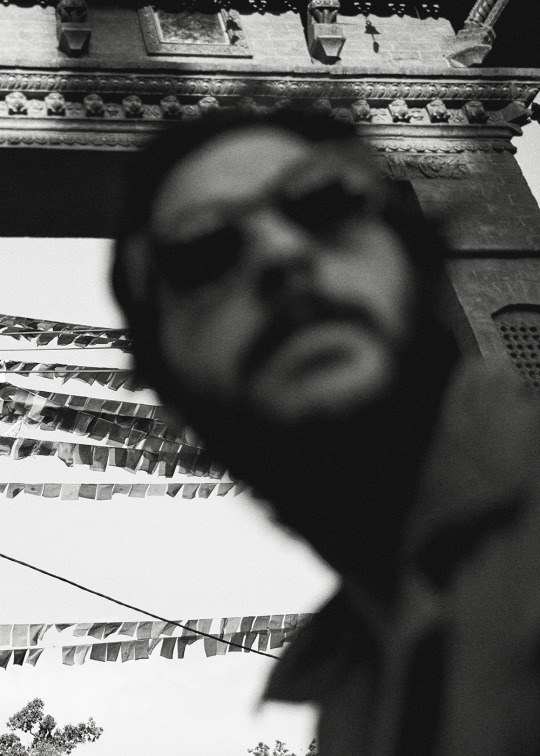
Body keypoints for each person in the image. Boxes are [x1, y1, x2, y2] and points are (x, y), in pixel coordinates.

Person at [113, 108, 540, 755]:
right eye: (202, 252)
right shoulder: (352, 693)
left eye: (324, 203)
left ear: (413, 259)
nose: (279, 253)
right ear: (169, 383)